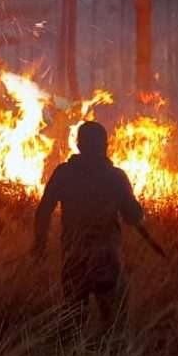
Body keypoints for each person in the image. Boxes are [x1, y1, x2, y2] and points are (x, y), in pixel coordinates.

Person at [33, 120, 146, 330]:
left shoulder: (64, 173)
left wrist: (39, 246)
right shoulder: (115, 177)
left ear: (78, 145)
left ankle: (74, 351)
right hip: (107, 260)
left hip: (74, 257)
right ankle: (111, 351)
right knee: (114, 324)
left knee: (73, 321)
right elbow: (133, 216)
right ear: (105, 146)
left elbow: (43, 211)